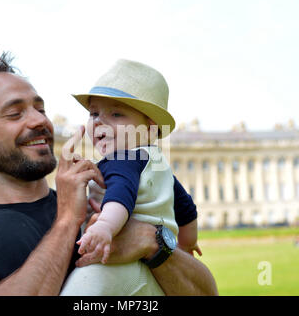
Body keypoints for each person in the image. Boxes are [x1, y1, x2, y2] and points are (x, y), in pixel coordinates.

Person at [0, 51, 218, 296]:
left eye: (40, 109)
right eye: (15, 113)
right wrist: (68, 220)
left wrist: (155, 245)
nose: (38, 121)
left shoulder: (109, 207)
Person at [60, 59, 201, 296]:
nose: (99, 122)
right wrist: (188, 243)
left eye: (116, 114)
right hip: (154, 271)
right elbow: (186, 208)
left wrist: (104, 226)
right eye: (93, 113)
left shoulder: (120, 159)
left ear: (149, 128)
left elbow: (120, 196)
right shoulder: (157, 164)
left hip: (115, 265)